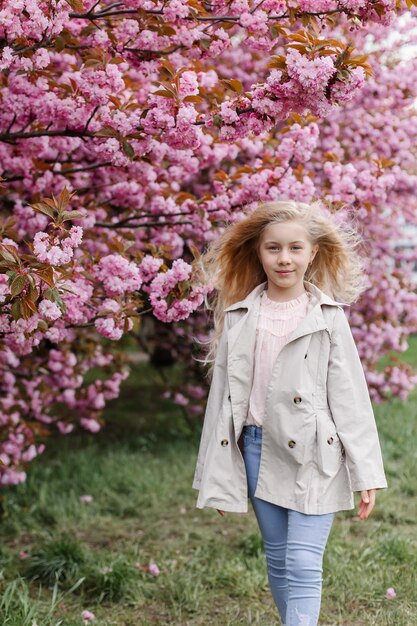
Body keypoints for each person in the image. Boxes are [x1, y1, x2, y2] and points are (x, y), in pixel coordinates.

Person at [192, 200, 387, 626]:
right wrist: (217, 472)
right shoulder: (241, 316)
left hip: (315, 453)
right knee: (279, 560)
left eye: (295, 248)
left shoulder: (329, 319)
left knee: (302, 561)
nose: (285, 259)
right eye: (274, 248)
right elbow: (223, 400)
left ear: (313, 252)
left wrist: (366, 471)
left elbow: (351, 398)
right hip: (258, 450)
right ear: (258, 253)